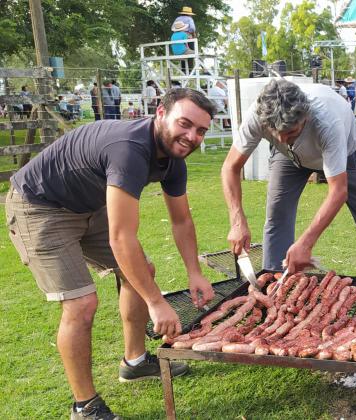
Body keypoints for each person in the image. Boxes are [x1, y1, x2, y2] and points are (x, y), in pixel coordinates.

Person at [6, 88, 217, 419]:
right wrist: (156, 303)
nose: (191, 136)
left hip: (89, 205)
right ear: (160, 113)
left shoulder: (174, 158)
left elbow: (181, 220)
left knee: (139, 271)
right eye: (185, 124)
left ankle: (133, 362)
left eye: (201, 130)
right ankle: (85, 406)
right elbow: (122, 238)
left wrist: (194, 272)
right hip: (41, 206)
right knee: (81, 303)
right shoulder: (130, 149)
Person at [221, 79, 356, 280]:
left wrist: (306, 243)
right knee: (277, 213)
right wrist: (237, 219)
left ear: (306, 118)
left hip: (347, 154)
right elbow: (230, 167)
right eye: (277, 133)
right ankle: (274, 284)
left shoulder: (326, 121)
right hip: (288, 157)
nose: (283, 139)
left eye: (291, 132)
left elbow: (338, 191)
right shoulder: (258, 115)